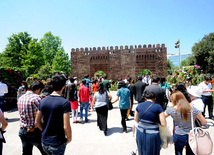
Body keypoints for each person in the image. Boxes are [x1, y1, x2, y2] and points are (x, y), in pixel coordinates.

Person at [35, 75, 72, 155]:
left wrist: (44, 130)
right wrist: (69, 138)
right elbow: (66, 126)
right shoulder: (65, 103)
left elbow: (37, 122)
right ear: (64, 86)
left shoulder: (43, 101)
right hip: (57, 142)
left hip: (45, 141)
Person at [17, 81, 46, 155]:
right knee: (46, 152)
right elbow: (44, 115)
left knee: (26, 152)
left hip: (23, 130)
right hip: (36, 131)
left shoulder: (21, 98)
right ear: (39, 89)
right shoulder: (37, 99)